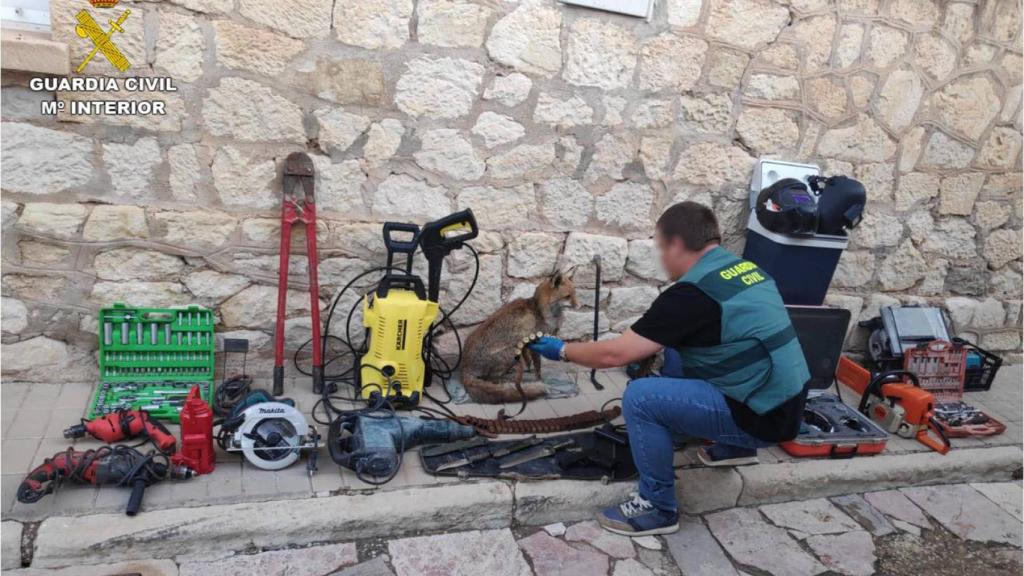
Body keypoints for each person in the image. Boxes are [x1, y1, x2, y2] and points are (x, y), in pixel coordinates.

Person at [528, 201, 810, 536]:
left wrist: (561, 350)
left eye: (661, 248)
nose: (661, 258)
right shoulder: (745, 270)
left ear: (677, 244)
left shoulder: (691, 296)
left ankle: (657, 506)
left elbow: (614, 356)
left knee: (641, 398)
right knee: (679, 354)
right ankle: (735, 449)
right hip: (789, 400)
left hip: (762, 419)